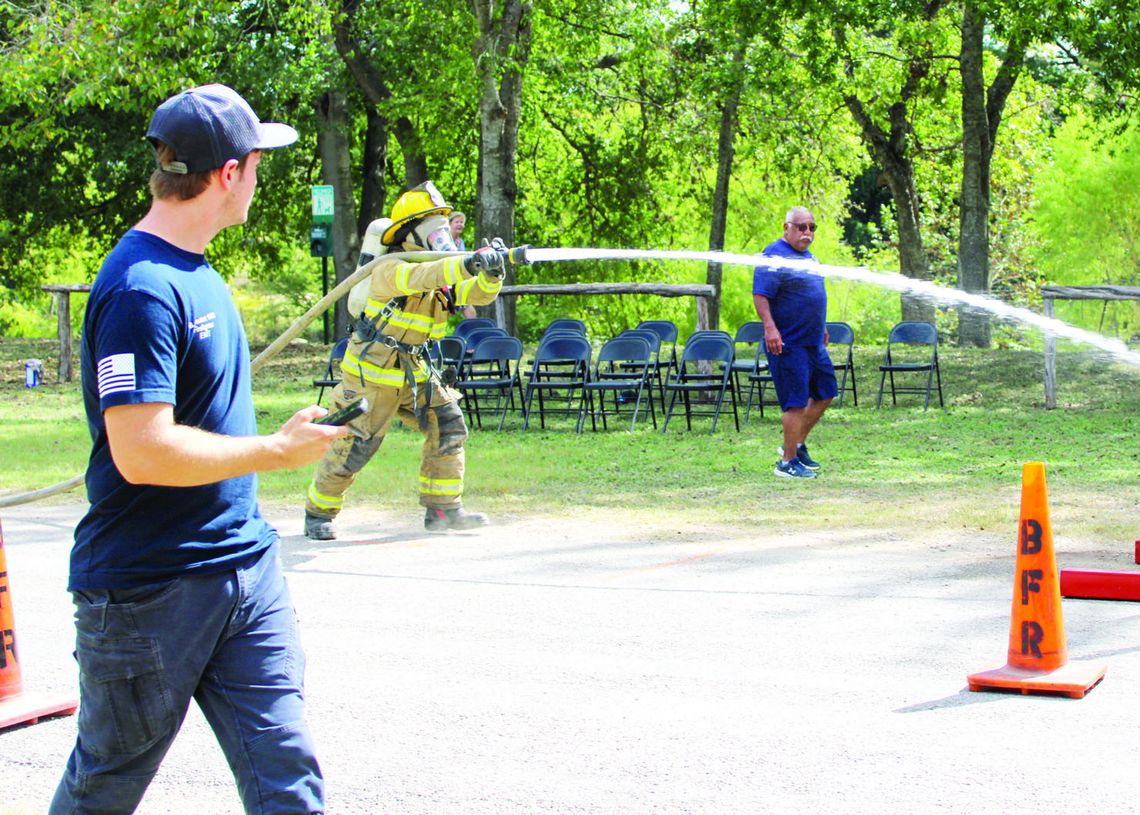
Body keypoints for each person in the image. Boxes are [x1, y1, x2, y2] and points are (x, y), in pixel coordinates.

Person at [51, 85, 346, 814]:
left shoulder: (198, 268)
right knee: (103, 789)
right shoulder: (141, 288)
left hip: (244, 569)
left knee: (288, 777)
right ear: (229, 173)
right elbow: (141, 450)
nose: (258, 179)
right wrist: (275, 452)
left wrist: (275, 442)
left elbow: (197, 417)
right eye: (257, 164)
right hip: (150, 590)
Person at [303, 181, 527, 539]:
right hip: (372, 375)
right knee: (356, 445)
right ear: (410, 230)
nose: (441, 233)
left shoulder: (443, 268)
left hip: (413, 370)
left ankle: (443, 510)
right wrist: (467, 261)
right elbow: (422, 277)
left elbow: (474, 294)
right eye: (433, 224)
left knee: (449, 426)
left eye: (443, 222)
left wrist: (491, 272)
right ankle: (318, 513)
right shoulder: (391, 268)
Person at [752, 206, 837, 480]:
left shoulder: (810, 259)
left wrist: (821, 326)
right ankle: (786, 463)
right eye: (801, 227)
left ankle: (796, 445)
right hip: (788, 344)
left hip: (814, 343)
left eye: (812, 227)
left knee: (825, 392)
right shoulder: (774, 254)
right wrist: (770, 329)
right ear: (786, 227)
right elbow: (760, 295)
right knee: (795, 403)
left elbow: (812, 296)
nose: (808, 232)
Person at [447, 212, 477, 318]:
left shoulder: (461, 243)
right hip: (444, 281)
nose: (460, 224)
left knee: (469, 309)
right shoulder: (443, 241)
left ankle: (474, 331)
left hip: (458, 281)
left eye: (461, 222)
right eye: (456, 222)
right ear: (449, 224)